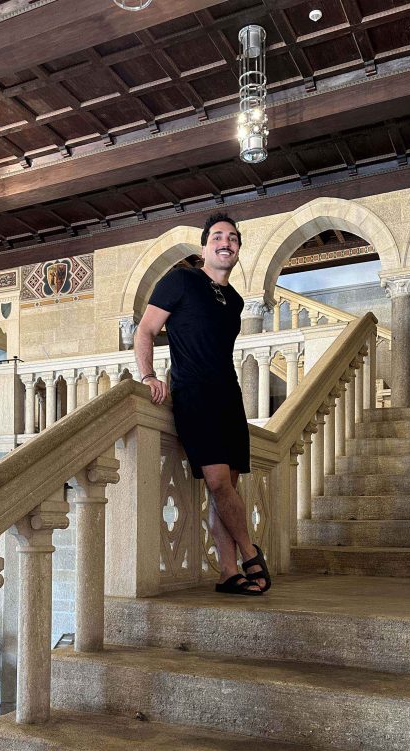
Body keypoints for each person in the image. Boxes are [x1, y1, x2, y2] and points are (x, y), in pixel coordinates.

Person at [134, 213, 271, 596]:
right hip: (193, 395)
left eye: (233, 238)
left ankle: (228, 573)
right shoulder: (181, 280)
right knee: (217, 482)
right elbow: (145, 330)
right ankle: (251, 554)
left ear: (238, 248)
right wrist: (148, 376)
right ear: (204, 246)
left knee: (225, 489)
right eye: (218, 237)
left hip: (229, 398)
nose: (226, 242)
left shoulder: (235, 300)